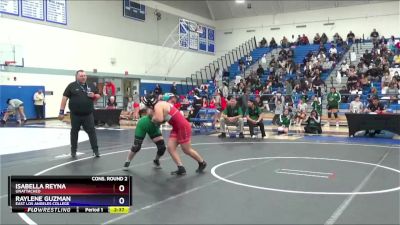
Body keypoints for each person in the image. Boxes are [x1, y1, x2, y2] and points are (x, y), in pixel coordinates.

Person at [144, 94, 206, 175]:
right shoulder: (160, 105)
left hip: (183, 127)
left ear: (149, 104)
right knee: (170, 147)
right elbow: (162, 119)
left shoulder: (158, 106)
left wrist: (153, 119)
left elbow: (159, 119)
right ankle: (181, 168)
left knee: (186, 150)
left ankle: (202, 162)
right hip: (177, 128)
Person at [59, 70, 101, 158]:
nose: (84, 77)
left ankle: (95, 150)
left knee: (92, 132)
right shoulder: (71, 86)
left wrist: (94, 95)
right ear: (77, 76)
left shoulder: (91, 85)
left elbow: (98, 96)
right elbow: (64, 98)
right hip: (75, 115)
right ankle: (73, 151)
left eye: (85, 75)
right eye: (81, 76)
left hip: (88, 114)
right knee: (74, 132)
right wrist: (61, 112)